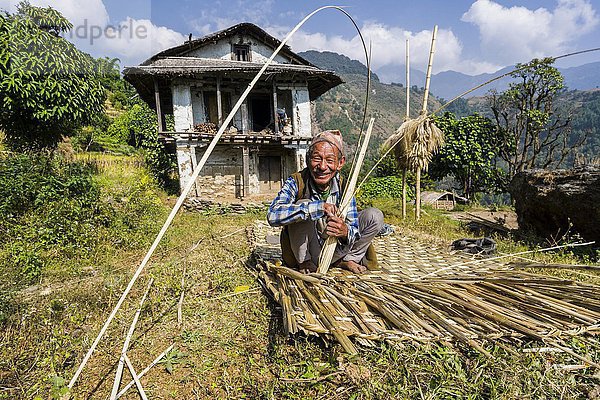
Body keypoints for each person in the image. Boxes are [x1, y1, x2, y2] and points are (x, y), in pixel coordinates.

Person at [267, 129, 384, 274]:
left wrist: (345, 231)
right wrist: (317, 208)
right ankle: (306, 263)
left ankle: (348, 260)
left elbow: (354, 227)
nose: (322, 167)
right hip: (308, 253)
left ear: (340, 163)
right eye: (317, 158)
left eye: (329, 160)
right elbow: (273, 215)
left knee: (374, 216)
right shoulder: (296, 181)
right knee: (300, 206)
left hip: (336, 249)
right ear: (307, 159)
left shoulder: (344, 186)